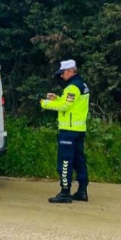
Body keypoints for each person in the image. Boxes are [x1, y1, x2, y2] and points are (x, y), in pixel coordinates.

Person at [40, 59, 90, 203]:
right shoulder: (82, 85)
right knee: (79, 160)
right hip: (79, 129)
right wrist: (57, 98)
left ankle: (65, 192)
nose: (61, 76)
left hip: (68, 130)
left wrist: (44, 103)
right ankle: (82, 191)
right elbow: (70, 103)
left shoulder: (72, 87)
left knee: (65, 161)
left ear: (70, 71)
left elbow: (64, 107)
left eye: (63, 73)